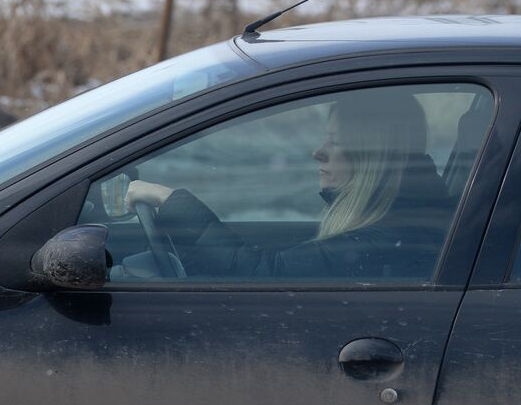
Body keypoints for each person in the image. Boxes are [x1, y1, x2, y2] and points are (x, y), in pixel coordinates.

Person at [123, 89, 454, 279]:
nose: (318, 153)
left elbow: (264, 278)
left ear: (372, 156)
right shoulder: (402, 220)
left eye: (335, 143)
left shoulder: (380, 239)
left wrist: (170, 201)